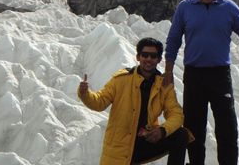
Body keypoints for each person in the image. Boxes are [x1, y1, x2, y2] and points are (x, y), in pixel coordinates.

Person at [163, 0, 239, 165]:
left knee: (227, 128)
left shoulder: (229, 8)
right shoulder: (185, 7)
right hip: (194, 75)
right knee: (194, 129)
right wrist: (168, 70)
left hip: (220, 76)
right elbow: (173, 39)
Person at [78, 37, 192, 165]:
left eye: (153, 56)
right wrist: (85, 93)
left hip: (144, 142)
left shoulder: (164, 86)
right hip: (121, 146)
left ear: (159, 59)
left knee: (181, 135)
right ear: (138, 57)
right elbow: (99, 102)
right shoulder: (121, 80)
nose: (149, 59)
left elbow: (176, 114)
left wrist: (162, 130)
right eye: (145, 55)